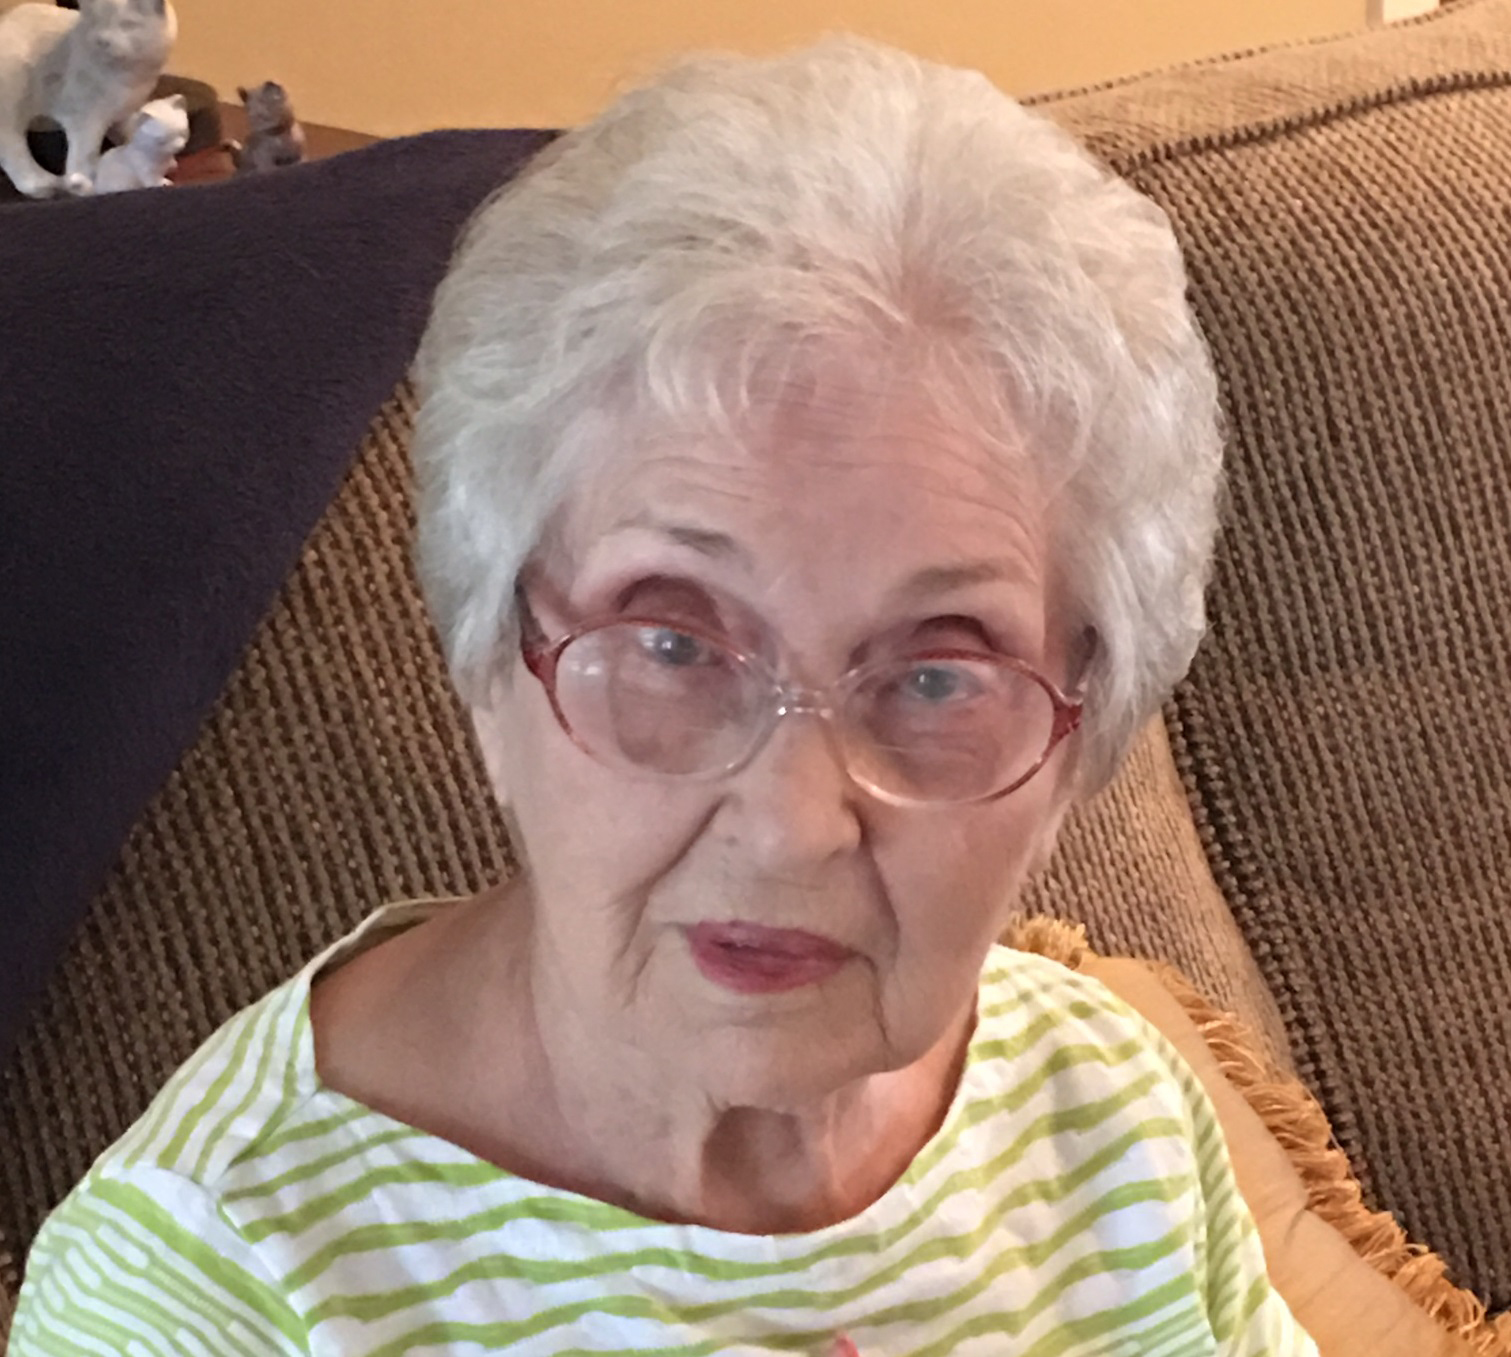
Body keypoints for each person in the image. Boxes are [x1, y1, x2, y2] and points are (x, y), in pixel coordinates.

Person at [10, 37, 1319, 1356]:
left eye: (936, 675)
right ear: (492, 663)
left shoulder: (1110, 1119)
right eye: (673, 645)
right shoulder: (206, 1283)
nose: (790, 825)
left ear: (1078, 737)